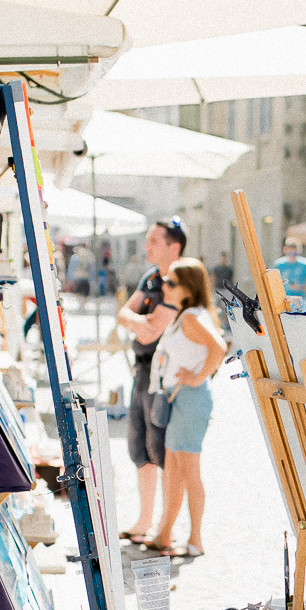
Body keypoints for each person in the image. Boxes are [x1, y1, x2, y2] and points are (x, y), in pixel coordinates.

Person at [145, 260, 226, 558]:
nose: (165, 285)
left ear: (188, 287)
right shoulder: (187, 315)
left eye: (171, 281)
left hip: (189, 398)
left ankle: (196, 541)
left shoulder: (192, 317)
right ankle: (165, 533)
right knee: (175, 472)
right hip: (180, 398)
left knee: (189, 472)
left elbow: (219, 347)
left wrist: (198, 376)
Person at [116, 218, 187, 542]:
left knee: (163, 449)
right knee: (140, 448)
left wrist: (138, 320)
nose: (146, 247)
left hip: (166, 375)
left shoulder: (181, 279)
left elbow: (156, 328)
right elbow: (124, 314)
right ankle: (145, 521)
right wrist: (138, 320)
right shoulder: (150, 277)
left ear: (174, 246)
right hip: (142, 370)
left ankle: (166, 526)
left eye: (153, 241)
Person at [271, 238, 306, 314]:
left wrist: (300, 287)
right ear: (285, 250)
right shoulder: (279, 264)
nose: (293, 255)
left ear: (300, 251)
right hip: (283, 304)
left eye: (295, 253)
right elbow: (273, 285)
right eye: (290, 252)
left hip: (300, 305)